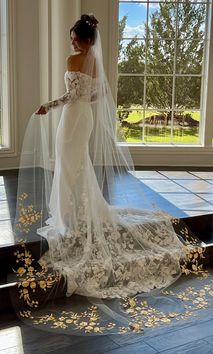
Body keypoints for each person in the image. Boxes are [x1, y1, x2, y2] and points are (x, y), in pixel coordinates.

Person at [16, 14, 186, 301]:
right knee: (78, 164)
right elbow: (99, 94)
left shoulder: (73, 62)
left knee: (69, 164)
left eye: (73, 39)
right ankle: (78, 212)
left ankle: (69, 215)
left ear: (84, 39)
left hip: (71, 118)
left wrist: (47, 105)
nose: (71, 43)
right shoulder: (96, 62)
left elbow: (69, 96)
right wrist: (83, 98)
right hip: (85, 117)